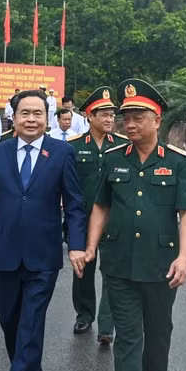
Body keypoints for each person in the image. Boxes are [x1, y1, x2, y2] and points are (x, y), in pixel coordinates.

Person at [0, 90, 87, 371]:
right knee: (9, 319)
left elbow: (76, 204)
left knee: (31, 321)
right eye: (25, 113)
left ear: (47, 118)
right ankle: (28, 368)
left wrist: (76, 245)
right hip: (5, 252)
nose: (31, 119)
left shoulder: (62, 152)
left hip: (43, 254)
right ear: (13, 118)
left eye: (37, 113)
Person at [86, 79, 186, 371]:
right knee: (128, 338)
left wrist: (184, 257)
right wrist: (91, 247)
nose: (130, 124)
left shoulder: (178, 162)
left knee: (159, 337)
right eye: (126, 118)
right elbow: (101, 206)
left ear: (157, 120)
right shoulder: (112, 159)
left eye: (138, 117)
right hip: (120, 264)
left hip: (162, 266)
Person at [66, 86, 128, 345]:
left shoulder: (124, 146)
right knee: (82, 271)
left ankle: (107, 324)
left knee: (113, 272)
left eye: (112, 114)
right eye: (103, 114)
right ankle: (84, 313)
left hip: (114, 220)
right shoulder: (73, 147)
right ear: (89, 116)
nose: (109, 118)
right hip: (82, 219)